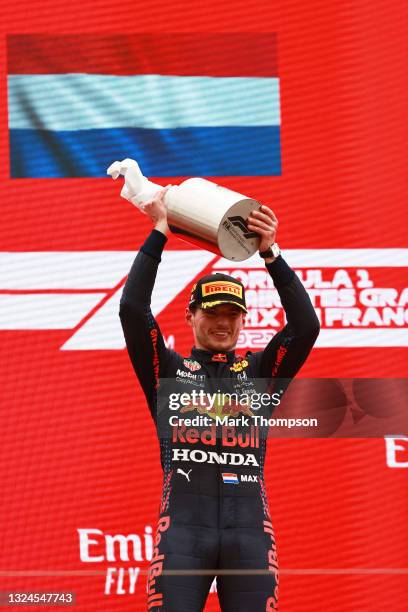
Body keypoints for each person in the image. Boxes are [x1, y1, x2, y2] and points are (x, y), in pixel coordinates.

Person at [119, 187, 320, 611]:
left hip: (249, 537)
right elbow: (133, 309)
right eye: (211, 313)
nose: (222, 323)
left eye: (232, 314)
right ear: (191, 316)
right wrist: (160, 230)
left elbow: (305, 326)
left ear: (244, 319)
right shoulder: (168, 372)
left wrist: (272, 254)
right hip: (182, 537)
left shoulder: (262, 375)